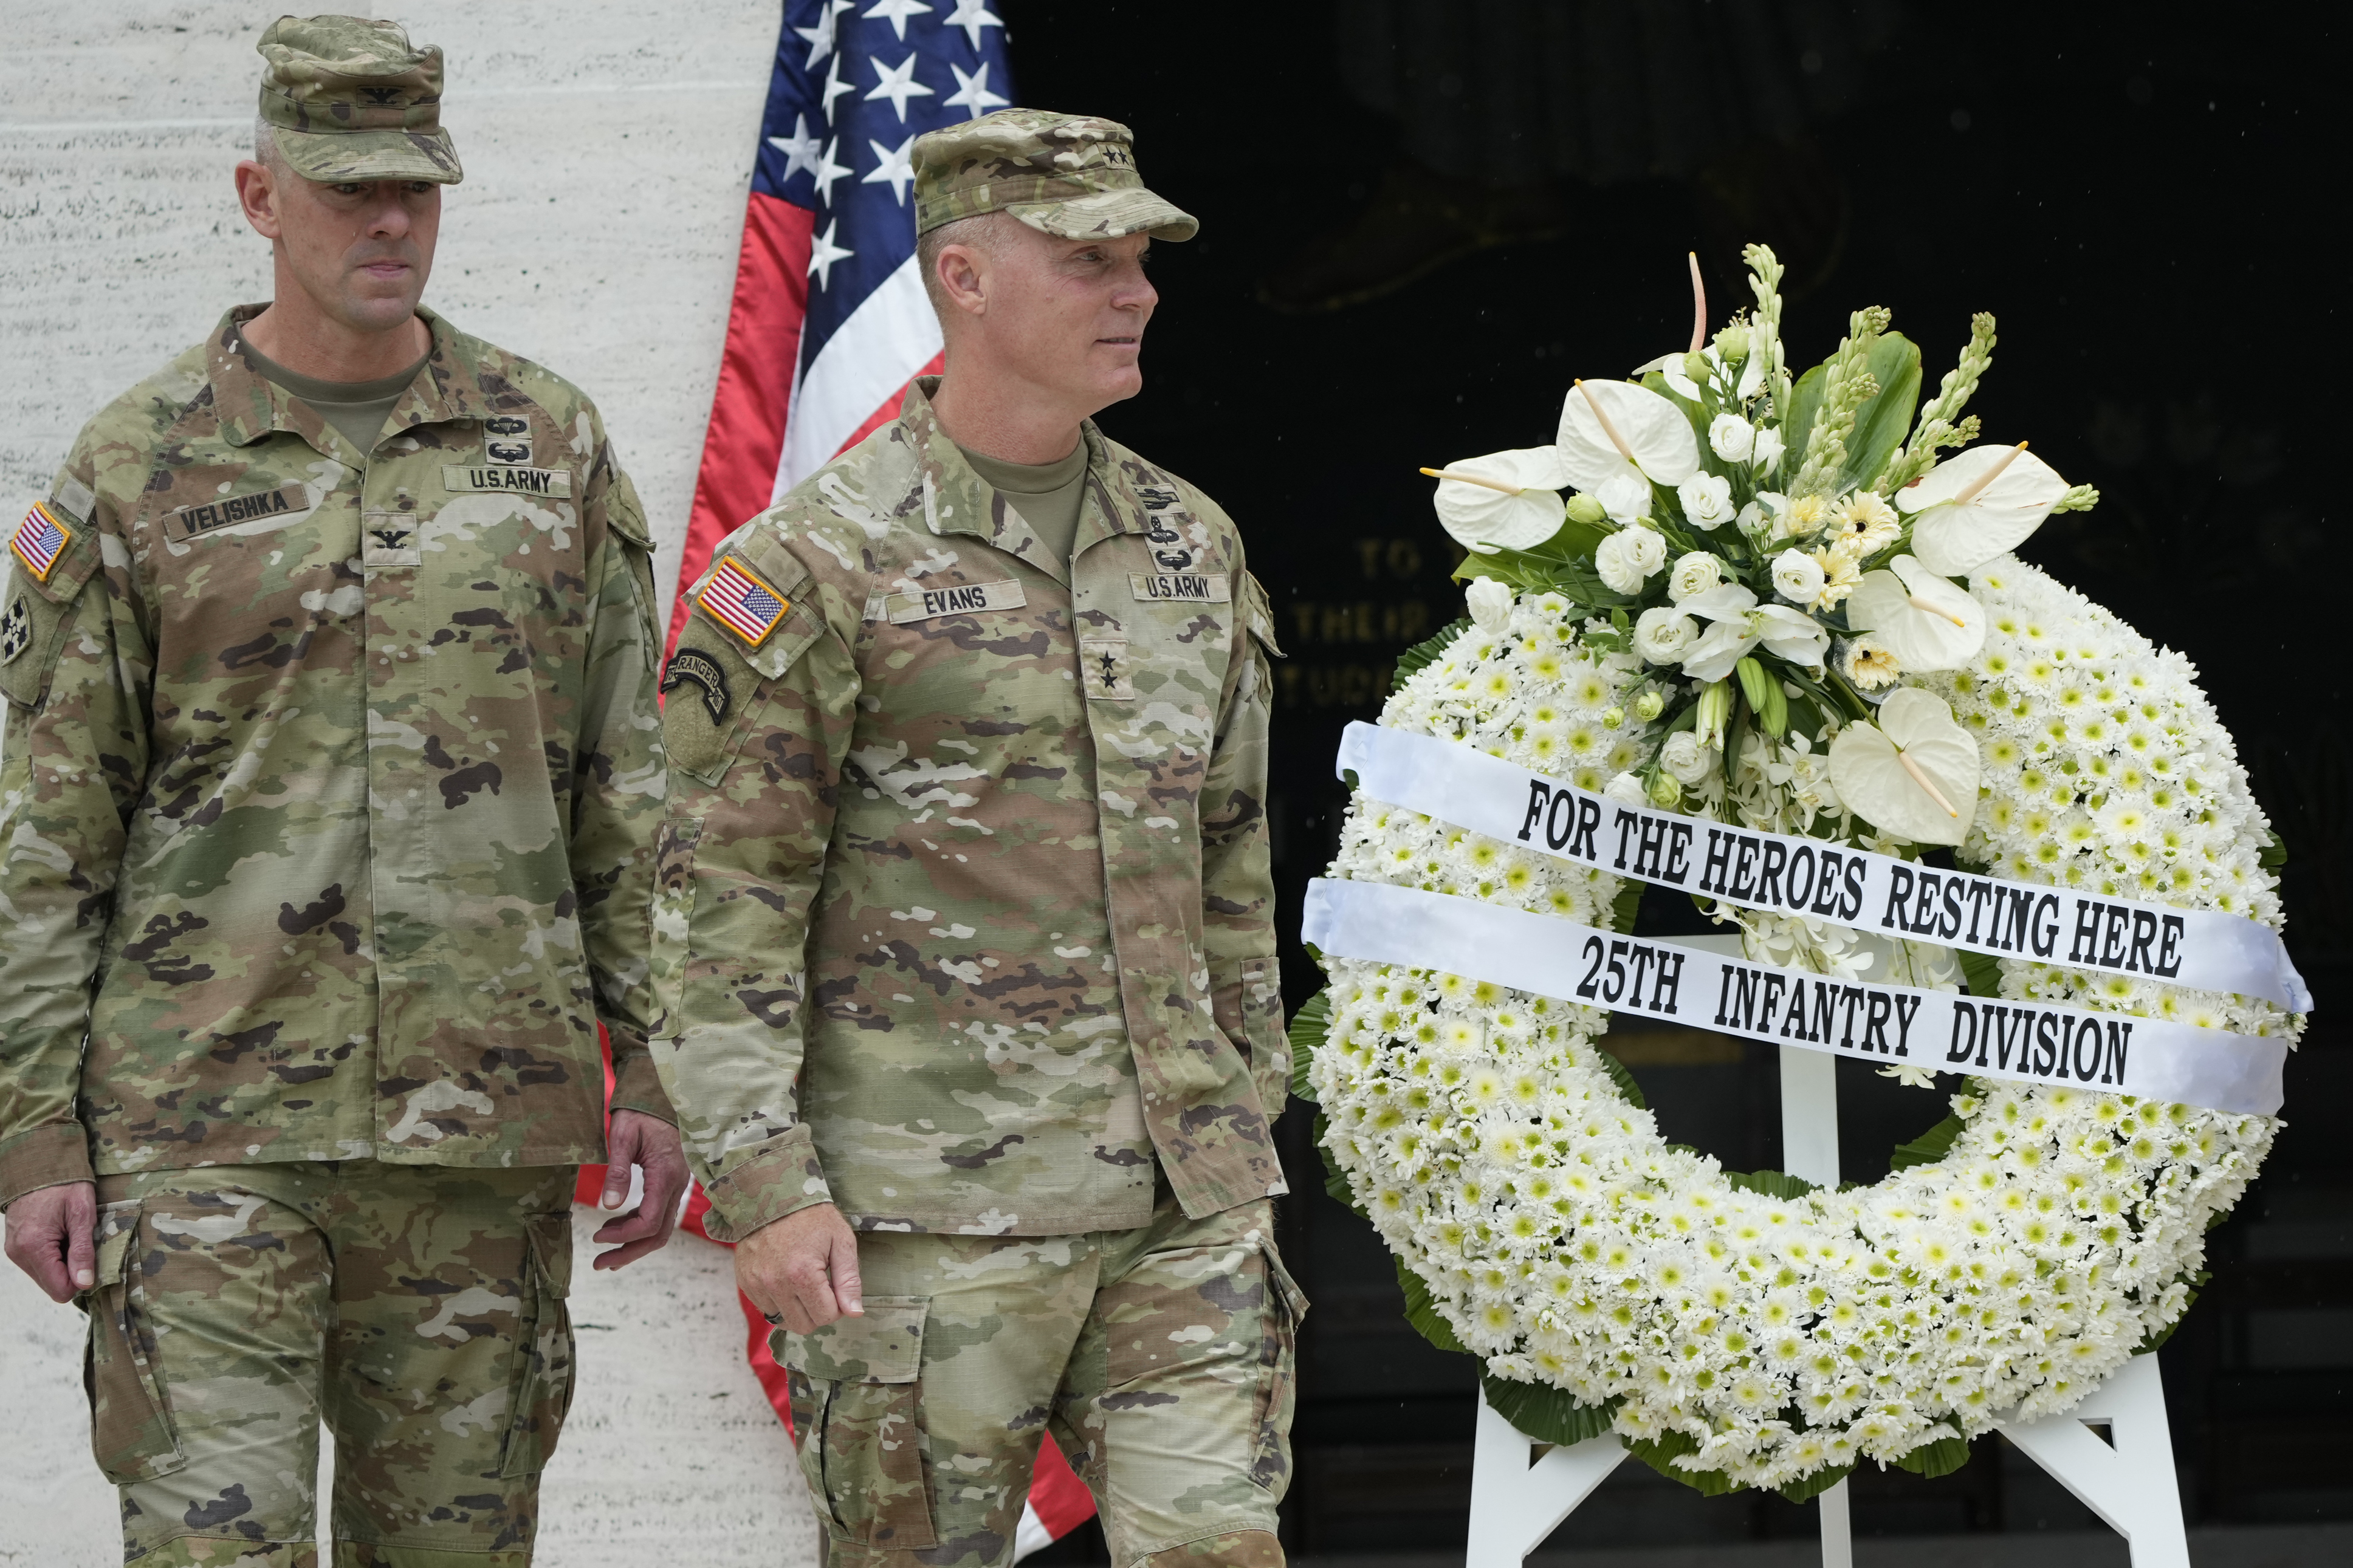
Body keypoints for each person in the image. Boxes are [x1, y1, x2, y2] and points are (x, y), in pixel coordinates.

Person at [0, 16, 682, 1564]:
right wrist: (33, 1130)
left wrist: (656, 1067)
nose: (389, 223)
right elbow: (47, 829)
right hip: (204, 1133)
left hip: (479, 1136)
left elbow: (630, 792)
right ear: (260, 195)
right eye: (348, 189)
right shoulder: (139, 467)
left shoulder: (549, 445)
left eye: (416, 191)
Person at [651, 108, 1299, 1568]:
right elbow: (718, 905)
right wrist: (764, 1184)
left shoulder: (1192, 542)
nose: (1134, 290)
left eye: (1140, 260)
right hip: (927, 1215)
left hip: (1180, 1202)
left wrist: (1245, 1112)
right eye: (1087, 260)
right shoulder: (809, 564)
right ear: (963, 276)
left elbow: (1232, 863)